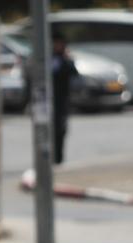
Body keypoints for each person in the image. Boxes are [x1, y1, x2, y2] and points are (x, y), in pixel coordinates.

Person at [51, 32, 78, 165]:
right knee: (48, 131)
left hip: (62, 100)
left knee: (60, 130)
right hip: (48, 101)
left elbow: (75, 73)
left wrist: (67, 59)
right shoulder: (47, 57)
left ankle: (59, 159)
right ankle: (49, 158)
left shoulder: (65, 59)